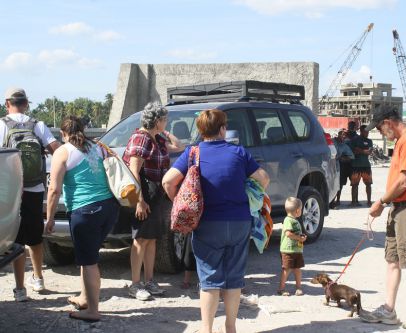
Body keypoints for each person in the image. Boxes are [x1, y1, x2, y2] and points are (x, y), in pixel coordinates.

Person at [162, 109, 269, 333]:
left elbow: (168, 181)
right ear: (222, 129)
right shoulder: (239, 152)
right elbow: (264, 179)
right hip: (239, 222)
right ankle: (230, 327)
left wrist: (180, 201)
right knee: (234, 278)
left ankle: (207, 329)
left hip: (207, 222)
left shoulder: (192, 153)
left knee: (210, 279)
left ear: (201, 130)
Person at [359, 106, 406, 330]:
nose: (381, 134)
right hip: (398, 207)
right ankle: (388, 310)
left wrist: (380, 202)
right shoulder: (401, 141)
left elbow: (404, 181)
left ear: (388, 122)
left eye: (380, 129)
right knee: (393, 260)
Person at [45, 116, 119, 322]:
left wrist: (50, 217)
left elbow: (54, 189)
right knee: (88, 254)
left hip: (85, 211)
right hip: (108, 207)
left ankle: (93, 310)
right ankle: (85, 297)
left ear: (62, 133)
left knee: (88, 261)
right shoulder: (97, 146)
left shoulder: (63, 151)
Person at [1, 87, 60, 302]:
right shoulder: (38, 125)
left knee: (16, 240)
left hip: (10, 192)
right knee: (35, 236)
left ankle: (20, 289)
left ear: (7, 103)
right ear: (26, 103)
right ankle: (39, 278)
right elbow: (57, 150)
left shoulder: (1, 125)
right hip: (35, 189)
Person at [122, 102, 184, 301]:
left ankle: (149, 280)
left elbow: (180, 146)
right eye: (164, 120)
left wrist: (163, 132)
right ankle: (135, 284)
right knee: (140, 239)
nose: (166, 123)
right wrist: (140, 200)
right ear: (157, 121)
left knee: (152, 239)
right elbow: (133, 171)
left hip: (156, 193)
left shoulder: (156, 138)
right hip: (144, 193)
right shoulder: (141, 138)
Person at [277, 197, 306, 296]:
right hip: (288, 250)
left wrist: (301, 237)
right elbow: (288, 234)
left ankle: (298, 287)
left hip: (296, 250)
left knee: (297, 268)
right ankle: (281, 289)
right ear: (298, 210)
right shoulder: (288, 220)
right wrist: (299, 238)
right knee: (287, 269)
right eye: (301, 209)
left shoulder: (294, 220)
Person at [350, 125, 374, 206]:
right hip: (356, 165)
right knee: (354, 185)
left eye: (368, 131)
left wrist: (360, 150)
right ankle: (353, 202)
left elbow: (369, 151)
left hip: (366, 165)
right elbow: (354, 150)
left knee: (368, 184)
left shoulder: (369, 141)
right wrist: (364, 151)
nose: (367, 133)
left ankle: (369, 201)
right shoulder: (355, 140)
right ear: (361, 131)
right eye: (365, 131)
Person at [332, 130, 354, 207]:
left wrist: (343, 158)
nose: (344, 137)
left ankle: (337, 200)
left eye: (345, 136)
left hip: (337, 167)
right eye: (343, 135)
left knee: (339, 184)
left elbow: (352, 156)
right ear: (339, 134)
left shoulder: (344, 146)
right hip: (327, 165)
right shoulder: (331, 141)